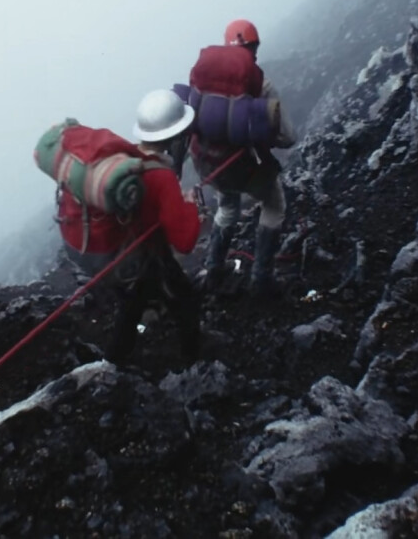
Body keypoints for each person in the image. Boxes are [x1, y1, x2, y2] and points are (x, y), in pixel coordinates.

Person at [57, 89, 203, 364]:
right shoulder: (161, 176)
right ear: (174, 138)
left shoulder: (129, 161)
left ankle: (114, 364)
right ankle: (191, 364)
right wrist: (190, 204)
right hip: (139, 255)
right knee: (183, 300)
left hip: (117, 252)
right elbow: (185, 241)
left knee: (135, 303)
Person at [188, 19, 296, 297]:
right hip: (244, 167)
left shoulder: (202, 83)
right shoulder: (262, 84)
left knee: (227, 208)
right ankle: (261, 279)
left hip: (208, 167)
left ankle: (213, 269)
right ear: (254, 47)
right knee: (274, 205)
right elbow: (288, 137)